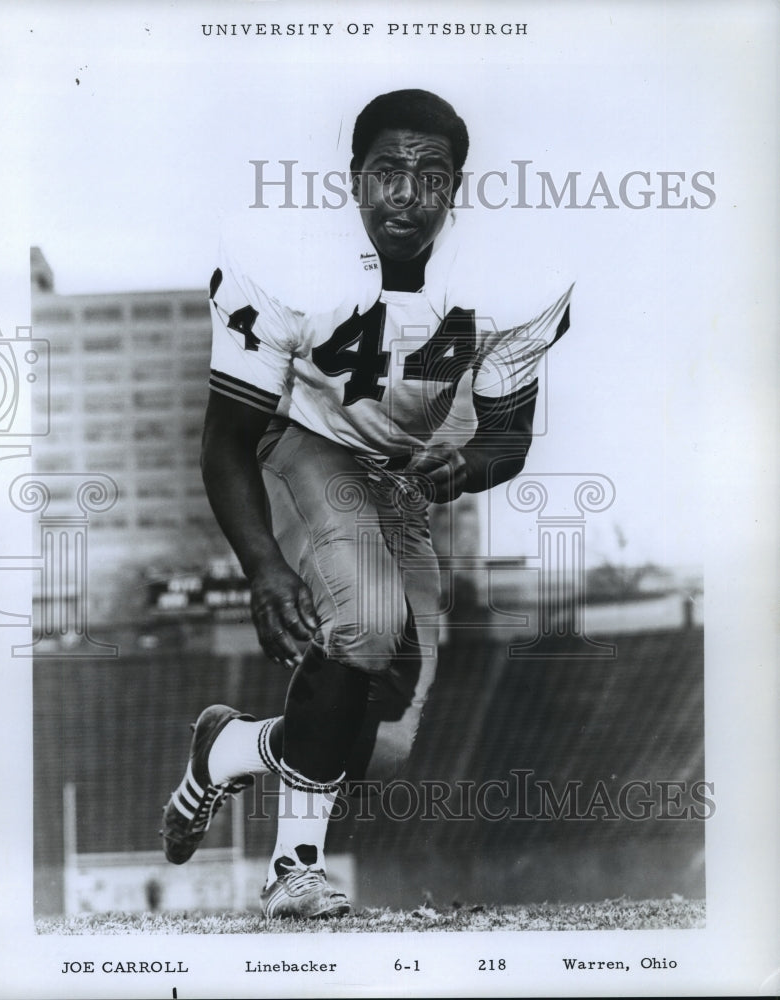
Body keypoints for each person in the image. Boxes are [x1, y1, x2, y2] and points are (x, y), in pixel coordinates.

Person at [161, 88, 572, 918]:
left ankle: (230, 746)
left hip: (404, 471)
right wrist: (265, 569)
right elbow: (226, 439)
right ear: (352, 179)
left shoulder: (508, 274)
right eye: (388, 170)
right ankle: (294, 871)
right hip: (310, 440)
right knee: (370, 624)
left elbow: (507, 439)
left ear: (458, 188)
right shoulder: (282, 256)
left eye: (432, 176)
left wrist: (467, 469)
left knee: (376, 739)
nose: (408, 195)